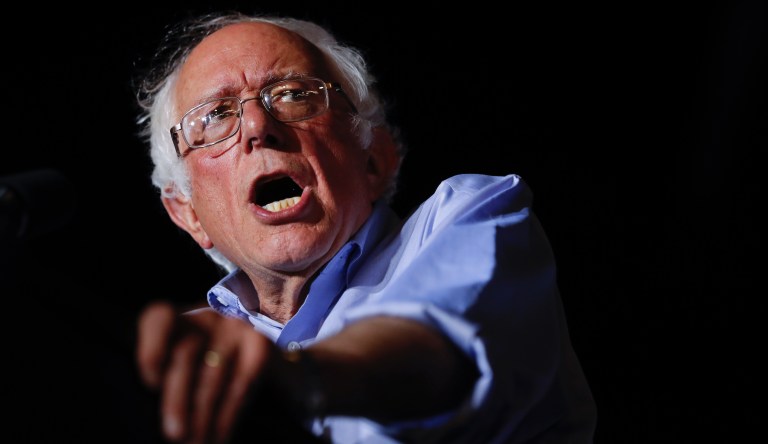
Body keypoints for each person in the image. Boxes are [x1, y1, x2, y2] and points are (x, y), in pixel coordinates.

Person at [133, 10, 597, 444]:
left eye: (294, 94)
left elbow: (440, 351)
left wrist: (298, 377)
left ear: (374, 157)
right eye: (215, 116)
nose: (257, 125)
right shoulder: (179, 356)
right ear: (187, 212)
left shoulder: (469, 215)